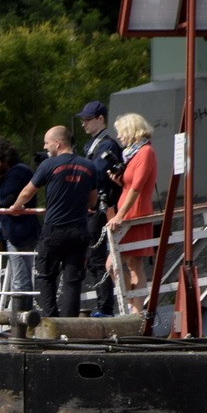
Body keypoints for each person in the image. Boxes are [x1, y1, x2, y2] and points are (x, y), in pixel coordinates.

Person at [10, 126, 98, 318]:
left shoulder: (48, 165)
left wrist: (15, 207)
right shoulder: (89, 166)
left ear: (58, 143)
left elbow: (27, 192)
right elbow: (93, 201)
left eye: (47, 142)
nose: (45, 146)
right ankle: (70, 326)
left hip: (55, 230)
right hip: (79, 231)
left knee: (46, 276)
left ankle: (51, 321)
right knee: (72, 281)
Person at [76, 100, 124, 317]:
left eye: (88, 120)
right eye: (83, 120)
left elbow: (95, 173)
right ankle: (103, 304)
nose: (84, 124)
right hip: (91, 207)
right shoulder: (92, 145)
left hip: (101, 206)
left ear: (100, 119)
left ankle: (105, 307)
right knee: (93, 258)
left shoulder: (107, 145)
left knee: (97, 257)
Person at [106, 113, 157, 315]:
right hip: (128, 212)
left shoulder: (145, 152)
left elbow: (137, 187)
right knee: (123, 264)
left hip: (135, 214)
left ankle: (135, 308)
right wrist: (120, 183)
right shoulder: (133, 153)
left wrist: (119, 216)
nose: (119, 137)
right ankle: (134, 304)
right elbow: (131, 185)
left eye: (121, 132)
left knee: (127, 264)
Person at [0, 137, 40, 297]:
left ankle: (23, 318)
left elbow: (5, 199)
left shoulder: (18, 172)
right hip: (15, 232)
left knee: (21, 280)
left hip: (20, 232)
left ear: (4, 158)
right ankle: (20, 316)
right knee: (19, 278)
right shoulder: (15, 172)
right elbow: (0, 196)